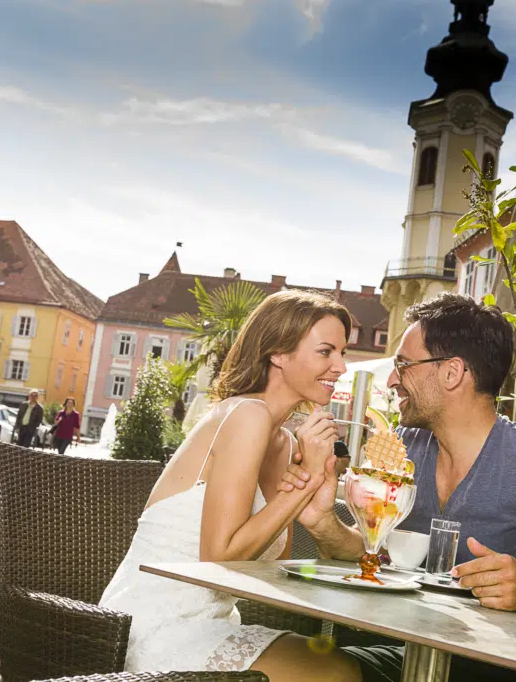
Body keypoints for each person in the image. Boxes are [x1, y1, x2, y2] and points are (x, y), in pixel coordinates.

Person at [278, 294, 516, 682]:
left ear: (452, 373)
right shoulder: (408, 449)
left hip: (510, 669)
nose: (393, 380)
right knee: (285, 661)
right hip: (414, 658)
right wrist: (323, 521)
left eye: (404, 366)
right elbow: (370, 551)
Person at [99, 290, 362, 681]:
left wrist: (313, 487)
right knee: (336, 673)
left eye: (342, 352)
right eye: (327, 351)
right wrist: (303, 483)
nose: (340, 366)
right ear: (278, 353)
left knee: (340, 666)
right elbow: (218, 557)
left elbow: (268, 566)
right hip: (151, 628)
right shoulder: (246, 415)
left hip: (214, 623)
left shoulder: (283, 441)